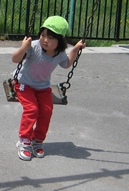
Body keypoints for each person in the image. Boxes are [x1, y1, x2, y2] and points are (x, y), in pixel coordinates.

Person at [11, 15, 86, 161]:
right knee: (32, 109)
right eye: (43, 35)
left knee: (46, 111)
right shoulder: (33, 46)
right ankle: (24, 141)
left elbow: (67, 64)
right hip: (23, 84)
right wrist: (23, 47)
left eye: (51, 38)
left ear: (60, 41)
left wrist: (76, 48)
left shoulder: (59, 54)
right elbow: (15, 59)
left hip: (42, 87)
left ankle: (37, 140)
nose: (45, 40)